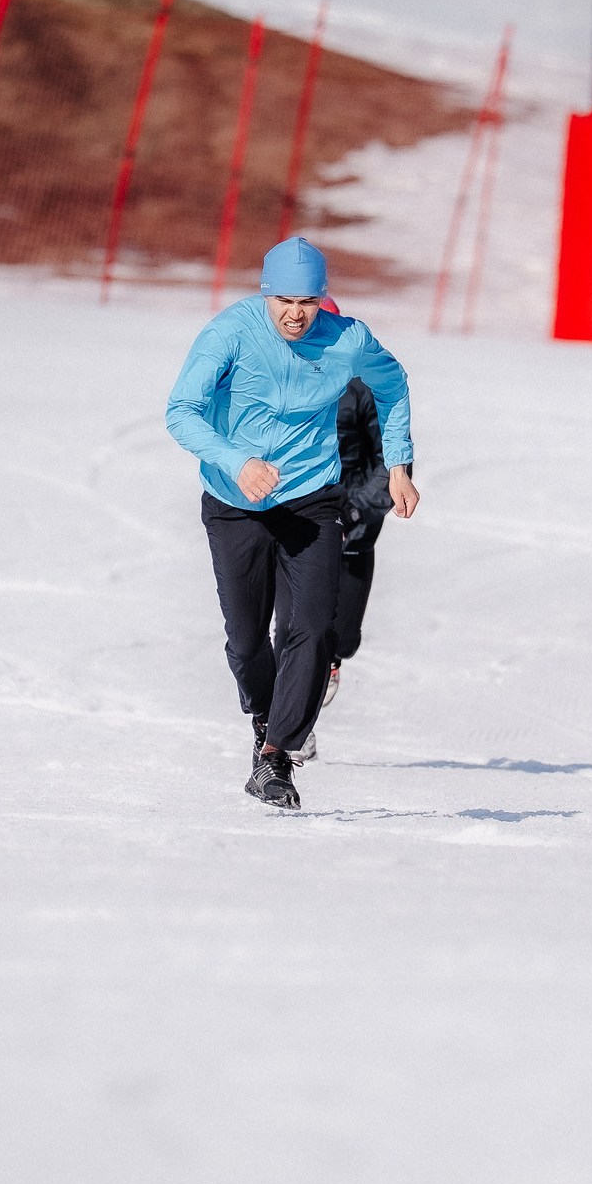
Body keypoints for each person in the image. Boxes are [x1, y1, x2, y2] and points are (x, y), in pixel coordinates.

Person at [166, 237, 419, 809]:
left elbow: (394, 385)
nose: (297, 314)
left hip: (311, 497)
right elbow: (181, 411)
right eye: (284, 300)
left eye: (308, 301)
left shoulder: (348, 338)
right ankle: (263, 716)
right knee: (248, 638)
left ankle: (277, 756)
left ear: (321, 298)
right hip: (236, 501)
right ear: (265, 293)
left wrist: (399, 464)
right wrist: (236, 461)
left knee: (311, 626)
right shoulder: (229, 332)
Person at [291, 294, 401, 767]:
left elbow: (389, 464)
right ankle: (293, 725)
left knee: (338, 636)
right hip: (299, 525)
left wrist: (353, 514)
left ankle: (325, 675)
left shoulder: (366, 388)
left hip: (353, 533)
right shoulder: (284, 379)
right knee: (294, 631)